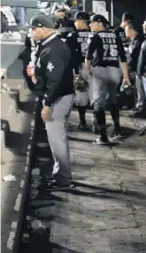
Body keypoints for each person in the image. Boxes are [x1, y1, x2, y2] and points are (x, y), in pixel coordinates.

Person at [28, 15, 75, 190]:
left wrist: (47, 104)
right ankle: (61, 176)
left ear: (43, 28)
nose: (32, 32)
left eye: (34, 29)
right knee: (57, 139)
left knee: (57, 140)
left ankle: (63, 179)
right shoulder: (49, 45)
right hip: (57, 97)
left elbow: (55, 80)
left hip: (58, 99)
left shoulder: (55, 48)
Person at [84, 14, 130, 144]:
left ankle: (103, 136)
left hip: (100, 70)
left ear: (100, 23)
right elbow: (123, 58)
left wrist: (88, 72)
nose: (90, 25)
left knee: (98, 103)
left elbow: (88, 57)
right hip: (115, 71)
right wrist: (126, 76)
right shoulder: (115, 35)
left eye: (92, 23)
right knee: (113, 100)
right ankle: (117, 129)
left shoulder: (95, 36)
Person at [73, 11, 93, 130]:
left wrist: (74, 71)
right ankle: (97, 124)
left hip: (80, 67)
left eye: (76, 21)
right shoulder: (94, 34)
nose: (75, 23)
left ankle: (83, 122)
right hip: (94, 67)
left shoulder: (74, 35)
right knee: (95, 95)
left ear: (81, 21)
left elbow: (71, 54)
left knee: (81, 95)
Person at [124, 23, 146, 117]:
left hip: (138, 69)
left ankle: (142, 109)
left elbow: (134, 57)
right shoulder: (134, 41)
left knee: (140, 89)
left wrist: (130, 67)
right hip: (136, 69)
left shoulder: (138, 41)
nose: (125, 33)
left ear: (131, 30)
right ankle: (138, 106)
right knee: (138, 89)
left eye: (126, 31)